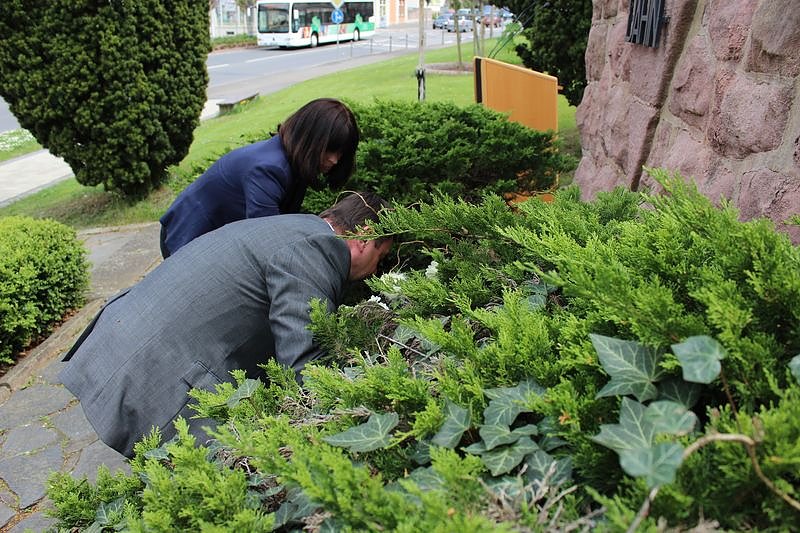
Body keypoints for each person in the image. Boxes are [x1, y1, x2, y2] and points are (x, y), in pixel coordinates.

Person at [60, 192, 392, 458]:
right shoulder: (319, 248)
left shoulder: (294, 226)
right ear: (364, 237)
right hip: (157, 375)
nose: (375, 271)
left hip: (121, 340)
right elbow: (303, 363)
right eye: (382, 256)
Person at [159, 97, 360, 258]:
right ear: (309, 138)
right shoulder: (267, 170)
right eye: (330, 150)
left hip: (211, 241)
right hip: (186, 236)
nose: (334, 160)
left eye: (341, 153)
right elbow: (267, 244)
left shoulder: (294, 163)